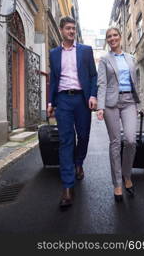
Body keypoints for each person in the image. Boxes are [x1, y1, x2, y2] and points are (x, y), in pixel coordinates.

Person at [47, 16, 97, 208]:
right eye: (68, 28)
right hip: (63, 100)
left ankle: (78, 162)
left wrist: (92, 95)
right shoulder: (54, 53)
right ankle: (68, 187)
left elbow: (93, 76)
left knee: (83, 136)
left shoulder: (85, 51)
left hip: (82, 99)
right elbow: (53, 78)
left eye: (73, 29)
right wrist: (51, 101)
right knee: (66, 141)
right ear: (61, 30)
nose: (71, 31)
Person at [97, 27, 140, 202]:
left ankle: (127, 174)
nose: (112, 38)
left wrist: (139, 103)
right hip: (111, 103)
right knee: (115, 143)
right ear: (107, 40)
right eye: (109, 36)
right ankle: (117, 183)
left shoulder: (131, 58)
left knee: (130, 140)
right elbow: (102, 83)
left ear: (120, 37)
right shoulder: (105, 59)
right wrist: (100, 106)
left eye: (115, 35)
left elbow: (135, 81)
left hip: (129, 101)